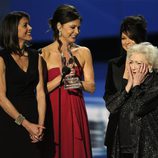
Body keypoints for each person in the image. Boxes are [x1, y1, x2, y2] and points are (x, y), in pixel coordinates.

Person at [41, 4, 95, 158]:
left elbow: (91, 87)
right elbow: (40, 91)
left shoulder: (83, 52)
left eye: (78, 28)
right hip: (53, 113)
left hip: (75, 110)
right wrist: (61, 78)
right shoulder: (43, 54)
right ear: (59, 26)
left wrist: (77, 81)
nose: (76, 32)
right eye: (72, 27)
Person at [0, 11, 46, 158]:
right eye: (25, 25)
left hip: (33, 118)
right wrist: (26, 125)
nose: (30, 28)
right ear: (13, 29)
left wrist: (40, 125)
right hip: (10, 120)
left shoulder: (36, 57)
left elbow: (40, 92)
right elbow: (1, 97)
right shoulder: (2, 58)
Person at [103, 15, 147, 158]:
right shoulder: (114, 65)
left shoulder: (151, 65)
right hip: (117, 133)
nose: (127, 42)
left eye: (131, 37)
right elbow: (109, 101)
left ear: (140, 39)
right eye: (123, 38)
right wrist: (127, 87)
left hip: (143, 135)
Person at [107, 42, 158, 157]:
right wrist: (128, 86)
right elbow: (112, 107)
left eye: (138, 63)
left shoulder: (155, 86)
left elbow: (138, 108)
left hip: (146, 151)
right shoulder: (130, 86)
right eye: (131, 62)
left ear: (150, 66)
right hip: (123, 149)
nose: (133, 67)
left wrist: (136, 86)